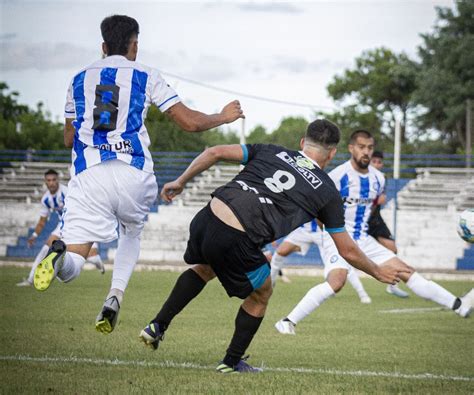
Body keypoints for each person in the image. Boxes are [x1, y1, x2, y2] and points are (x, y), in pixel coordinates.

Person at [138, 119, 410, 373]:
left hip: (207, 217)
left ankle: (157, 325)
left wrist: (180, 181)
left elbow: (215, 151)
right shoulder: (327, 192)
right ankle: (231, 362)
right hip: (237, 236)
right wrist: (377, 271)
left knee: (206, 268)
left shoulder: (272, 151)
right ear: (332, 153)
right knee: (262, 292)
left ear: (303, 143)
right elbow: (347, 250)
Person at [33, 15, 244, 335]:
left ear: (103, 46)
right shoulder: (146, 74)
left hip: (89, 175)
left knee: (73, 261)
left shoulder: (78, 79)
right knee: (131, 230)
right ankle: (115, 294)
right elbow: (189, 122)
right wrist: (223, 117)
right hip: (134, 173)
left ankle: (58, 257)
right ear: (134, 46)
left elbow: (67, 138)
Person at [275, 130, 473, 335]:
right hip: (338, 237)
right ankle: (287, 321)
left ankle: (458, 305)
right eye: (361, 147)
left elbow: (372, 212)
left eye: (369, 148)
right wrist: (331, 236)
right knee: (337, 281)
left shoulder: (378, 178)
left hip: (363, 238)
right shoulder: (337, 176)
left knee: (405, 270)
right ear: (351, 148)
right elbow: (319, 209)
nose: (366, 152)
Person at [16, 169, 103, 287]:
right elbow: (42, 221)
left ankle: (99, 265)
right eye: (48, 180)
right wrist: (34, 235)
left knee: (93, 258)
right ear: (45, 182)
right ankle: (31, 279)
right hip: (63, 224)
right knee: (46, 248)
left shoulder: (67, 192)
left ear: (58, 180)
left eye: (53, 180)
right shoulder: (46, 199)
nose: (51, 183)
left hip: (80, 223)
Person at [270, 219, 372, 303]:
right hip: (303, 231)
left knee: (340, 261)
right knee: (280, 252)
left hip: (322, 232)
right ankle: (270, 284)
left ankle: (362, 293)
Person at [368, 151, 409, 298]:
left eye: (379, 162)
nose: (377, 164)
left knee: (392, 248)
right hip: (359, 220)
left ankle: (392, 285)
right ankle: (331, 282)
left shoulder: (382, 178)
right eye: (374, 161)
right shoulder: (361, 176)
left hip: (375, 221)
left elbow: (382, 200)